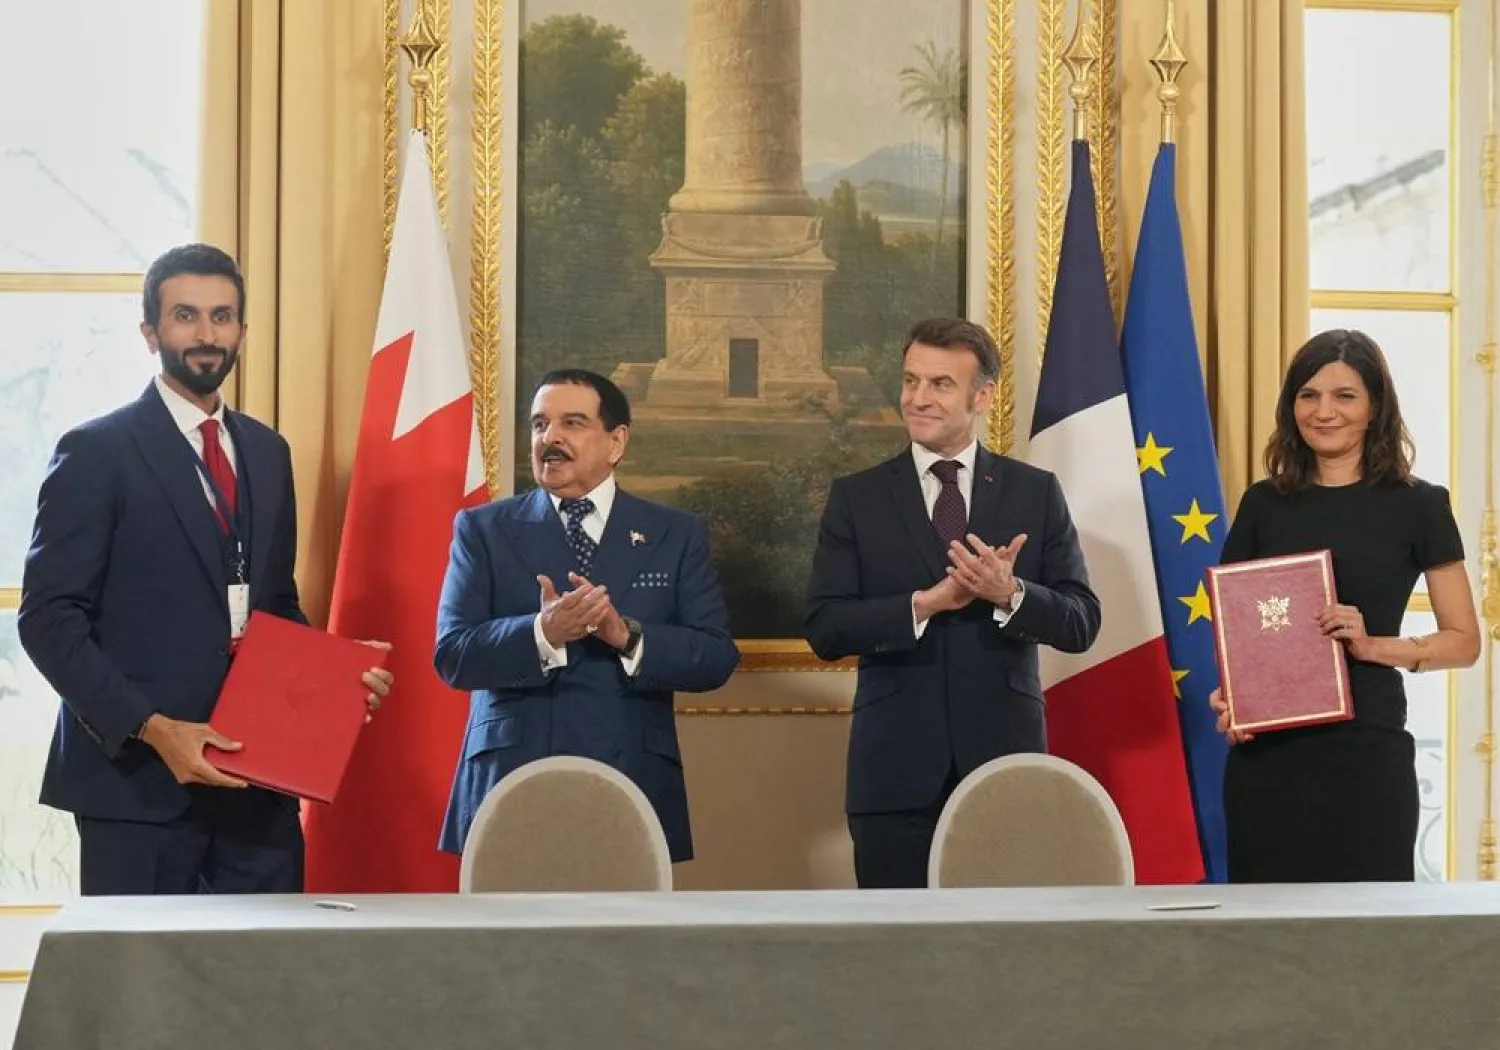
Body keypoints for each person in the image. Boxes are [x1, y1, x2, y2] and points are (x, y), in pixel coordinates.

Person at [18, 243, 393, 896]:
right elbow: (48, 620)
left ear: (242, 332)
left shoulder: (267, 452)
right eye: (185, 316)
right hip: (136, 788)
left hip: (259, 784)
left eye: (222, 317)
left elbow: (272, 603)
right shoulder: (95, 452)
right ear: (150, 332)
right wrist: (156, 731)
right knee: (144, 992)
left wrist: (334, 681)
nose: (206, 333)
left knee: (257, 987)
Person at [804, 316, 1102, 889]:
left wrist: (1009, 594)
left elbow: (1081, 620)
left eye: (939, 384)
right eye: (911, 381)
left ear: (982, 396)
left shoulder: (1034, 493)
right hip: (894, 775)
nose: (918, 398)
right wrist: (925, 603)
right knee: (898, 958)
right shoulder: (857, 499)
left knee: (1002, 954)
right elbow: (826, 626)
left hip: (1003, 766)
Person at [433, 369, 739, 863]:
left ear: (616, 442)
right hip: (511, 777)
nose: (549, 439)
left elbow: (715, 656)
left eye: (572, 423)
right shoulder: (483, 529)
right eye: (539, 425)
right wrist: (542, 633)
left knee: (623, 940)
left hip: (630, 779)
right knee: (505, 943)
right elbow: (453, 655)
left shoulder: (674, 534)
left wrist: (627, 636)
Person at [1209, 328, 1480, 883]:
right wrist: (1233, 696)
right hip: (1267, 760)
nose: (1323, 411)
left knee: (1367, 950)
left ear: (1376, 406)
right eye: (1308, 395)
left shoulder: (1421, 506)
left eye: (1345, 396)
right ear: (1291, 406)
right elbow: (1238, 626)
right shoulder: (1262, 503)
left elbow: (1464, 642)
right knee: (1264, 948)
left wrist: (1372, 645)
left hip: (1368, 754)